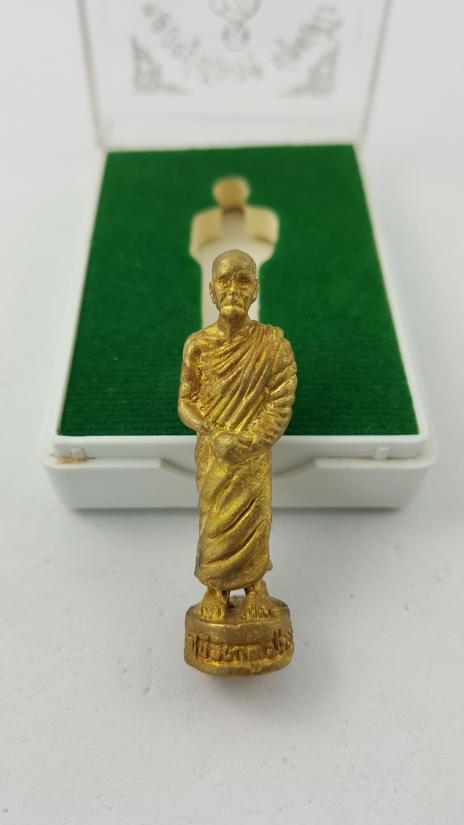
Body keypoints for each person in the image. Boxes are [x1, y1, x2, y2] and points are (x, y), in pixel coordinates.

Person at [178, 249, 297, 622]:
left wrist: (247, 443)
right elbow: (185, 401)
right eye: (225, 280)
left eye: (243, 280)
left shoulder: (274, 346)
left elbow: (279, 406)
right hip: (213, 454)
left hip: (252, 456)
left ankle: (256, 586)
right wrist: (213, 432)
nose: (233, 289)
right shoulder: (198, 345)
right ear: (212, 290)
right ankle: (215, 588)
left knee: (255, 520)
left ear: (255, 289)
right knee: (214, 519)